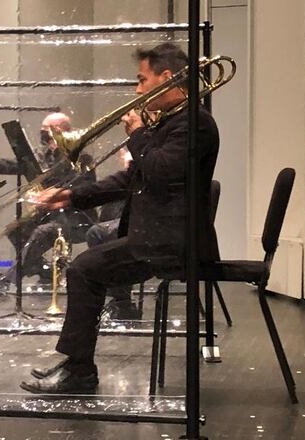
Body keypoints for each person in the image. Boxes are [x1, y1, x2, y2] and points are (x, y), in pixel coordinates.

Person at [19, 43, 220, 394]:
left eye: (142, 81)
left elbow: (159, 171)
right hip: (156, 236)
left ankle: (79, 370)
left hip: (173, 241)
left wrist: (139, 134)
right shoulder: (171, 123)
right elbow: (133, 178)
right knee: (87, 269)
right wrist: (72, 194)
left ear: (166, 79)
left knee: (84, 269)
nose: (138, 90)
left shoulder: (195, 124)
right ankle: (77, 365)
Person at [0, 112, 95, 291]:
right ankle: (45, 272)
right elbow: (15, 164)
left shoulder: (81, 157)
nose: (42, 133)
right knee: (15, 230)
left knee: (41, 233)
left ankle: (9, 279)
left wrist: (51, 192)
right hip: (50, 214)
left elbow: (84, 189)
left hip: (76, 218)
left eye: (47, 129)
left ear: (62, 130)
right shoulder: (44, 154)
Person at [84, 148, 139, 320]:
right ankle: (120, 300)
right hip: (134, 224)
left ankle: (120, 300)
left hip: (149, 226)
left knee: (98, 234)